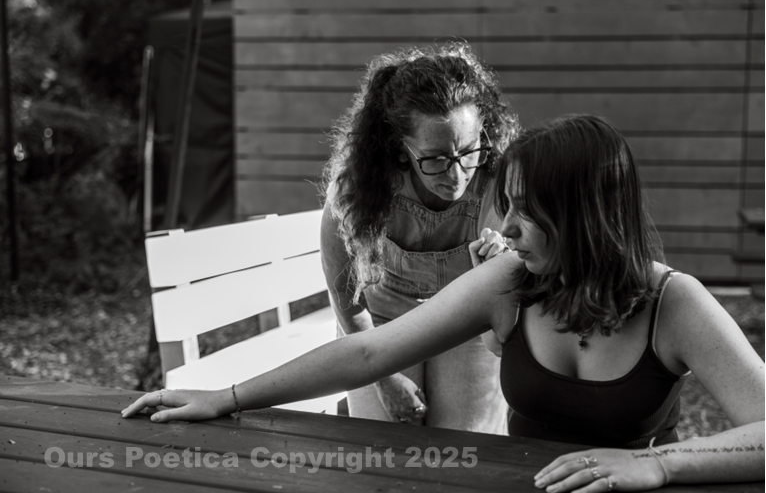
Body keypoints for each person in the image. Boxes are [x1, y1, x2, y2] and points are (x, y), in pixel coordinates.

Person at [123, 115, 765, 489]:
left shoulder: (673, 302)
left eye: (525, 211)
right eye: (505, 206)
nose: (505, 229)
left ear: (583, 215)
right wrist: (227, 397)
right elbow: (370, 352)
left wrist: (660, 466)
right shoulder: (513, 280)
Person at [318, 42, 518, 433]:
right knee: (382, 448)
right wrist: (384, 378)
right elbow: (345, 294)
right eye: (436, 158)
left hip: (467, 318)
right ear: (401, 148)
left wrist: (501, 265)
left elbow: (533, 268)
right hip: (380, 324)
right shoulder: (358, 188)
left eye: (468, 152)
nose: (457, 175)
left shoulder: (500, 176)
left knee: (463, 450)